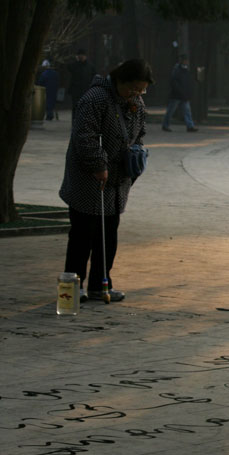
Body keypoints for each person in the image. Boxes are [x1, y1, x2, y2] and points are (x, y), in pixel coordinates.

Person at [59, 58, 154, 303]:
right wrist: (98, 165)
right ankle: (73, 288)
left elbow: (140, 132)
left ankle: (101, 284)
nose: (137, 94)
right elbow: (85, 136)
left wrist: (136, 152)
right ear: (120, 80)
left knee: (108, 235)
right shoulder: (95, 99)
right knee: (83, 234)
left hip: (117, 180)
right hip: (88, 178)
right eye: (133, 88)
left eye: (141, 90)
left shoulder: (136, 102)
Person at [162, 55, 198, 132]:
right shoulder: (177, 70)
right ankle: (165, 125)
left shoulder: (185, 70)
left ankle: (190, 126)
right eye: (185, 60)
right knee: (171, 111)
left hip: (183, 95)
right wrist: (180, 91)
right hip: (176, 95)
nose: (187, 62)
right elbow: (174, 82)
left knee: (187, 111)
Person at [67, 49, 96, 123]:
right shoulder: (74, 65)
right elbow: (69, 67)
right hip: (76, 91)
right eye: (79, 56)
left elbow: (93, 77)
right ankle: (75, 123)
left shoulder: (90, 66)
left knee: (85, 108)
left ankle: (83, 123)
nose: (81, 57)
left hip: (86, 90)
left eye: (82, 56)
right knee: (76, 108)